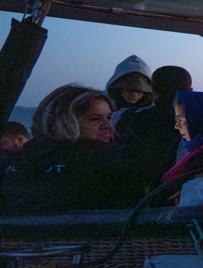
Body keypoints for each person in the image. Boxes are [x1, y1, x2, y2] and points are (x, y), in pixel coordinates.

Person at [0, 85, 152, 214]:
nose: (108, 126)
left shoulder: (15, 162)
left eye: (109, 118)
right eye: (95, 119)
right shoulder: (116, 159)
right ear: (63, 122)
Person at [114, 65, 193, 182]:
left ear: (152, 89)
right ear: (190, 91)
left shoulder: (127, 118)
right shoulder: (202, 123)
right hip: (180, 190)